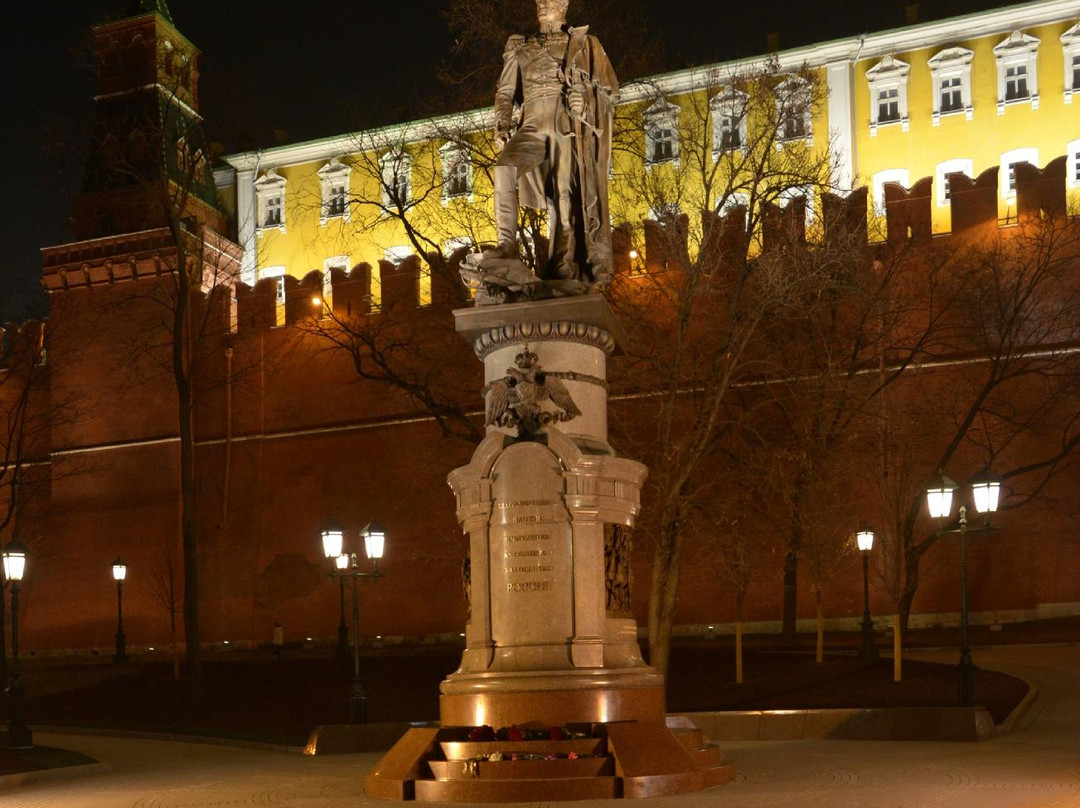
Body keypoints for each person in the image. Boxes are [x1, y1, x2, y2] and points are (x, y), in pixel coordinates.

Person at [484, 0, 618, 286]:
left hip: (564, 124)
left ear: (564, 5)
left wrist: (583, 104)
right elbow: (505, 92)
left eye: (550, 0)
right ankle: (506, 246)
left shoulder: (582, 43)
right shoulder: (520, 45)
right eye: (540, 1)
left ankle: (563, 265)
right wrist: (503, 123)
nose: (543, 5)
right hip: (531, 123)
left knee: (564, 196)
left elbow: (606, 93)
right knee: (504, 168)